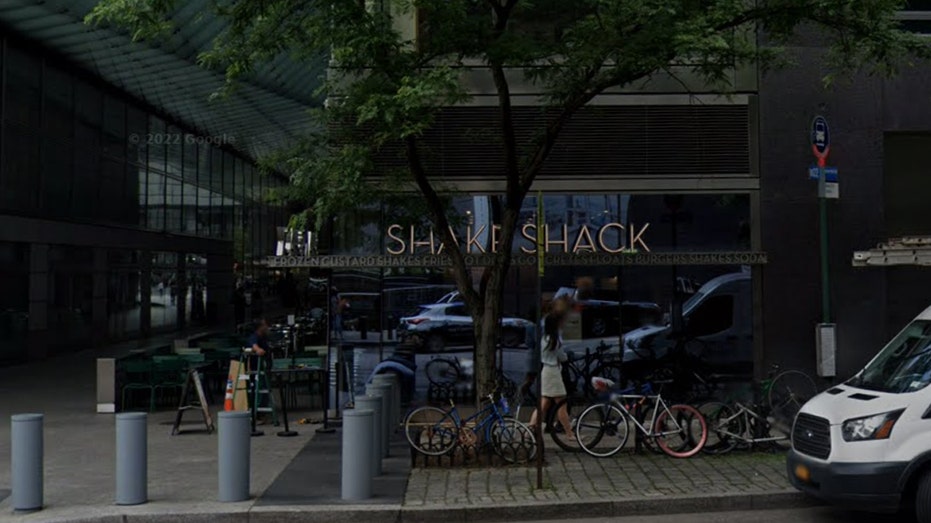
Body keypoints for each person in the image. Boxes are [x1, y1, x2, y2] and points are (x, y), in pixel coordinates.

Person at [538, 307, 574, 440]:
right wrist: (566, 357)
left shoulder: (543, 339)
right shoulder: (555, 341)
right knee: (561, 404)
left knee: (544, 404)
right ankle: (569, 433)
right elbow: (562, 357)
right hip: (554, 372)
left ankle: (530, 428)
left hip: (545, 371)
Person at [247, 318, 272, 424]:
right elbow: (254, 346)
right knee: (259, 391)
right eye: (265, 325)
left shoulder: (264, 337)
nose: (267, 327)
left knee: (265, 391)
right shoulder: (254, 337)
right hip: (256, 368)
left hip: (265, 368)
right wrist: (258, 350)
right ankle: (256, 415)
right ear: (260, 327)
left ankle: (262, 414)